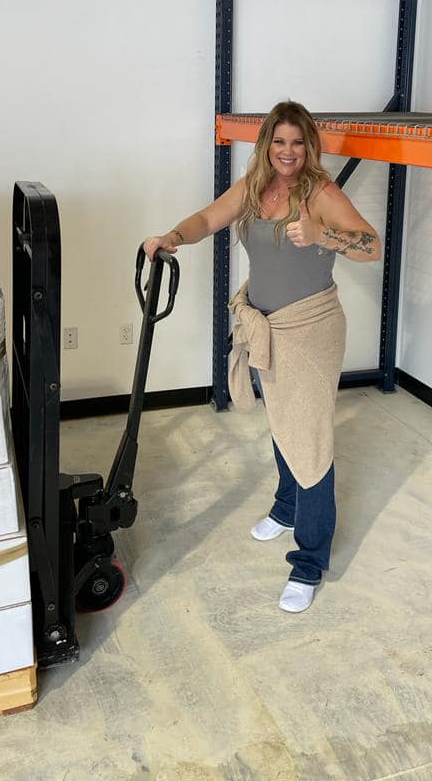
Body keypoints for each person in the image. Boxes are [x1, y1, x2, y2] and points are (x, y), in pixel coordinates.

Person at [143, 101, 381, 613]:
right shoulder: (254, 189)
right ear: (267, 145)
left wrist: (323, 235)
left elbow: (370, 246)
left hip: (311, 330)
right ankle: (288, 505)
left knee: (310, 438)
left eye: (298, 143)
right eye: (280, 142)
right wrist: (171, 237)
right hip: (267, 327)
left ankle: (310, 562)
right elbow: (208, 217)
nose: (288, 152)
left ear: (308, 146)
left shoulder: (321, 192)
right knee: (281, 420)